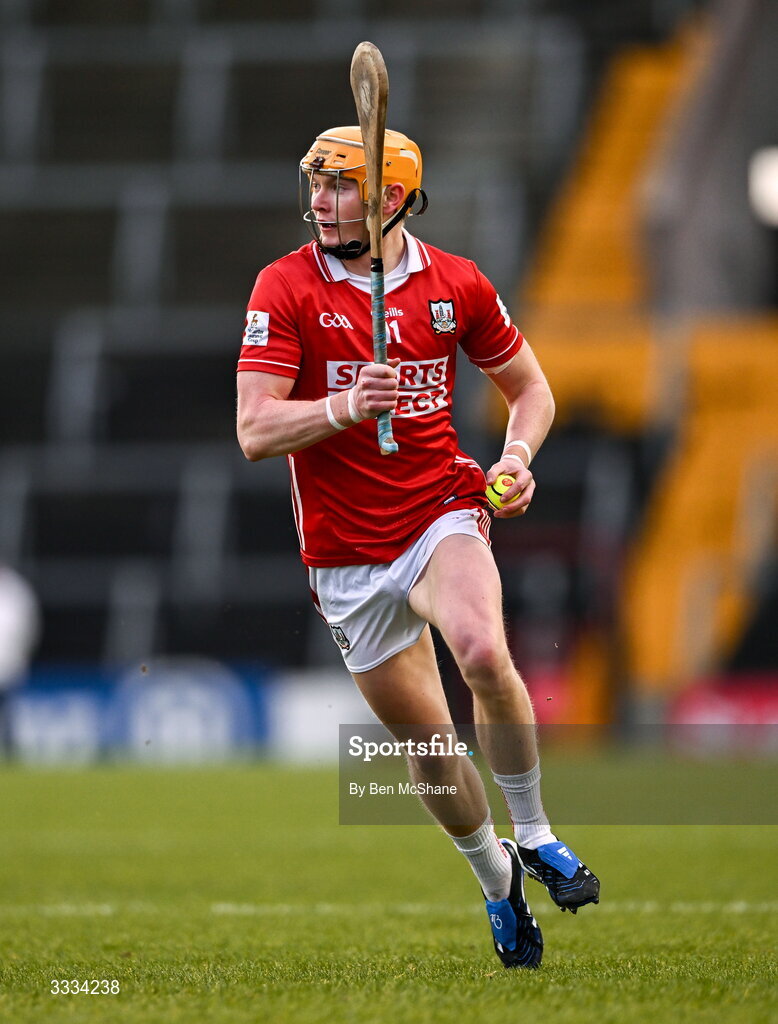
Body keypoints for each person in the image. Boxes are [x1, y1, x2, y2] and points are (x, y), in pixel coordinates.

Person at [236, 125, 599, 969]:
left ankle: (538, 833)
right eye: (316, 186)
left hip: (440, 509)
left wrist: (514, 459)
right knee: (430, 749)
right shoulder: (283, 287)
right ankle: (497, 879)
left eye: (338, 187)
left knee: (479, 648)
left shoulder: (456, 283)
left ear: (390, 199)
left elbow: (530, 390)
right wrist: (343, 407)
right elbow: (255, 429)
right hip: (343, 554)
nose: (320, 203)